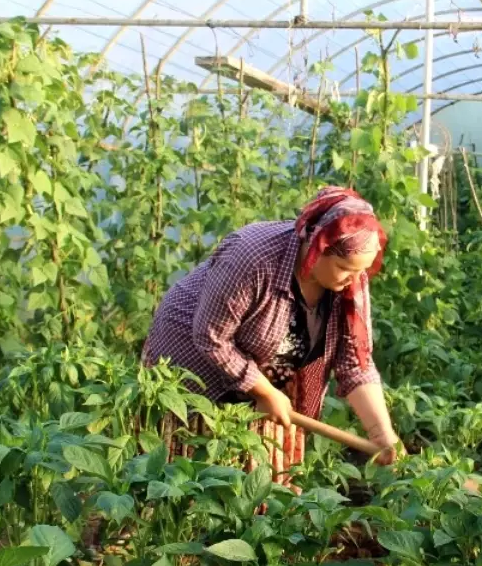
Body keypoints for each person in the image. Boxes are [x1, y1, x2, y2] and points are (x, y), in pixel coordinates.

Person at [141, 186, 400, 488]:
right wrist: (263, 391)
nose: (355, 280)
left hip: (269, 367)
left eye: (362, 271)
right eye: (345, 269)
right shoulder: (253, 257)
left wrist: (381, 433)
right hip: (195, 360)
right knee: (191, 473)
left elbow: (355, 361)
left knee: (261, 483)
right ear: (317, 247)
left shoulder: (351, 278)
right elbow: (211, 337)